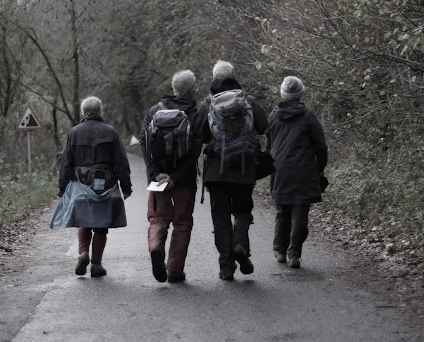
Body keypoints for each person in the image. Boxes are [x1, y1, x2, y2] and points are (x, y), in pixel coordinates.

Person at [198, 60, 268, 281]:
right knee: (243, 210)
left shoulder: (207, 104)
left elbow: (199, 136)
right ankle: (239, 243)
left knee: (219, 218)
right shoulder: (248, 101)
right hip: (244, 167)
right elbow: (263, 127)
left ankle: (226, 267)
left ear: (214, 77)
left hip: (216, 169)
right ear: (234, 76)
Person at [53, 96, 133, 277]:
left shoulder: (74, 132)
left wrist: (62, 187)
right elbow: (121, 162)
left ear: (83, 112)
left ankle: (83, 253)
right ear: (100, 111)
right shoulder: (110, 132)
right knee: (101, 225)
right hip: (106, 185)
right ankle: (96, 265)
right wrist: (126, 187)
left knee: (84, 220)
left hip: (81, 185)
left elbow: (66, 162)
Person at [140, 70, 204, 283]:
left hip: (158, 179)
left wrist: (155, 173)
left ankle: (156, 246)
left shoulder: (154, 111)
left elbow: (143, 143)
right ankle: (175, 269)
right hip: (183, 180)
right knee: (182, 223)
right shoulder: (194, 116)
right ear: (189, 90)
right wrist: (175, 176)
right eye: (194, 87)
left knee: (158, 218)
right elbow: (195, 150)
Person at [266, 76, 327, 268]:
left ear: (283, 93)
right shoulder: (308, 115)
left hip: (279, 168)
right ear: (300, 93)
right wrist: (319, 169)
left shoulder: (274, 115)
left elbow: (269, 144)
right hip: (303, 169)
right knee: (300, 212)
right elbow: (321, 146)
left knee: (281, 209)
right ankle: (294, 253)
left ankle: (280, 250)